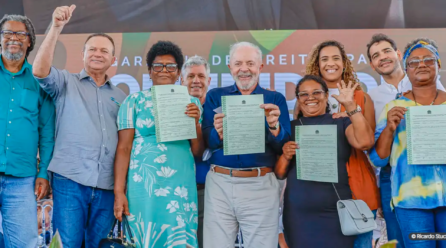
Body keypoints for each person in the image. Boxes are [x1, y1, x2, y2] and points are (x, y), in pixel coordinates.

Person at [32, 5, 126, 248]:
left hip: (106, 184)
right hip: (70, 180)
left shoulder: (122, 97)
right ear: (83, 54)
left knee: (98, 244)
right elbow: (40, 71)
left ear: (113, 60)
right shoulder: (65, 82)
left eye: (104, 51)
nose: (97, 54)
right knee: (67, 244)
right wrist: (56, 27)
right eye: (92, 49)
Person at [114, 41, 203, 248]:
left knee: (178, 240)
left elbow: (198, 151)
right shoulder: (133, 101)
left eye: (170, 66)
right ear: (149, 71)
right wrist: (119, 192)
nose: (164, 70)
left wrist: (196, 124)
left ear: (178, 73)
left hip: (180, 187)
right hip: (143, 185)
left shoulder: (192, 103)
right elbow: (124, 148)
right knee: (146, 238)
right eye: (158, 66)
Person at [202, 41, 291, 248]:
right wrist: (219, 132)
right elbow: (209, 142)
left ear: (260, 67)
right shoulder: (215, 97)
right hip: (220, 183)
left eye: (250, 63)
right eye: (238, 63)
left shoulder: (275, 99)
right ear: (230, 68)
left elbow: (283, 147)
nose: (244, 69)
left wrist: (274, 127)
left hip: (261, 184)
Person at [276, 74, 374, 248]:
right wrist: (285, 155)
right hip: (298, 214)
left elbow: (365, 142)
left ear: (327, 95)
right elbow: (280, 173)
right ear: (298, 99)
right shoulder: (289, 127)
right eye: (304, 94)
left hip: (336, 211)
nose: (310, 98)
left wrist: (350, 105)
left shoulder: (341, 121)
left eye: (316, 92)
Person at [366, 34, 446, 248]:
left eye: (428, 59)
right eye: (414, 62)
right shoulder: (393, 108)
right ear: (407, 69)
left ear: (438, 65)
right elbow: (378, 159)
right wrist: (390, 128)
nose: (421, 65)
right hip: (411, 203)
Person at [302, 40, 380, 248]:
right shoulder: (308, 99)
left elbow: (367, 144)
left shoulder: (362, 98)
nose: (331, 63)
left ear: (344, 63)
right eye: (324, 59)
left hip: (357, 186)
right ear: (317, 65)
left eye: (336, 58)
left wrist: (352, 116)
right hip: (318, 188)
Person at [0, 14, 55, 248]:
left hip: (22, 179)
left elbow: (47, 131)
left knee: (25, 244)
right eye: (7, 33)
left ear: (30, 41)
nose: (14, 38)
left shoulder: (39, 80)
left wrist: (43, 172)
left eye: (21, 34)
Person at [180, 55, 211, 248]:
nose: (196, 81)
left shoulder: (217, 110)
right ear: (182, 81)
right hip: (176, 191)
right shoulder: (171, 109)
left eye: (201, 76)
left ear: (209, 81)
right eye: (190, 76)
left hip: (206, 192)